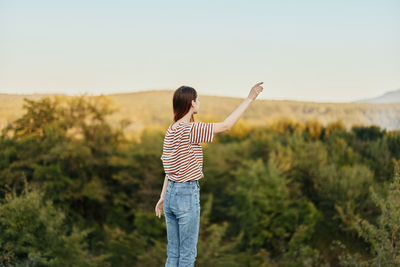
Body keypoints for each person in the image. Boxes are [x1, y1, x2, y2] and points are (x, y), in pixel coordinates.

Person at [155, 82, 264, 267]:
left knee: (173, 254)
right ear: (191, 103)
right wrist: (250, 98)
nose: (199, 102)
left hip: (171, 196)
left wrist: (163, 196)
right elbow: (226, 126)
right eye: (197, 100)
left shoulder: (171, 130)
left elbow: (169, 167)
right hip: (186, 195)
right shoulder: (190, 130)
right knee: (187, 256)